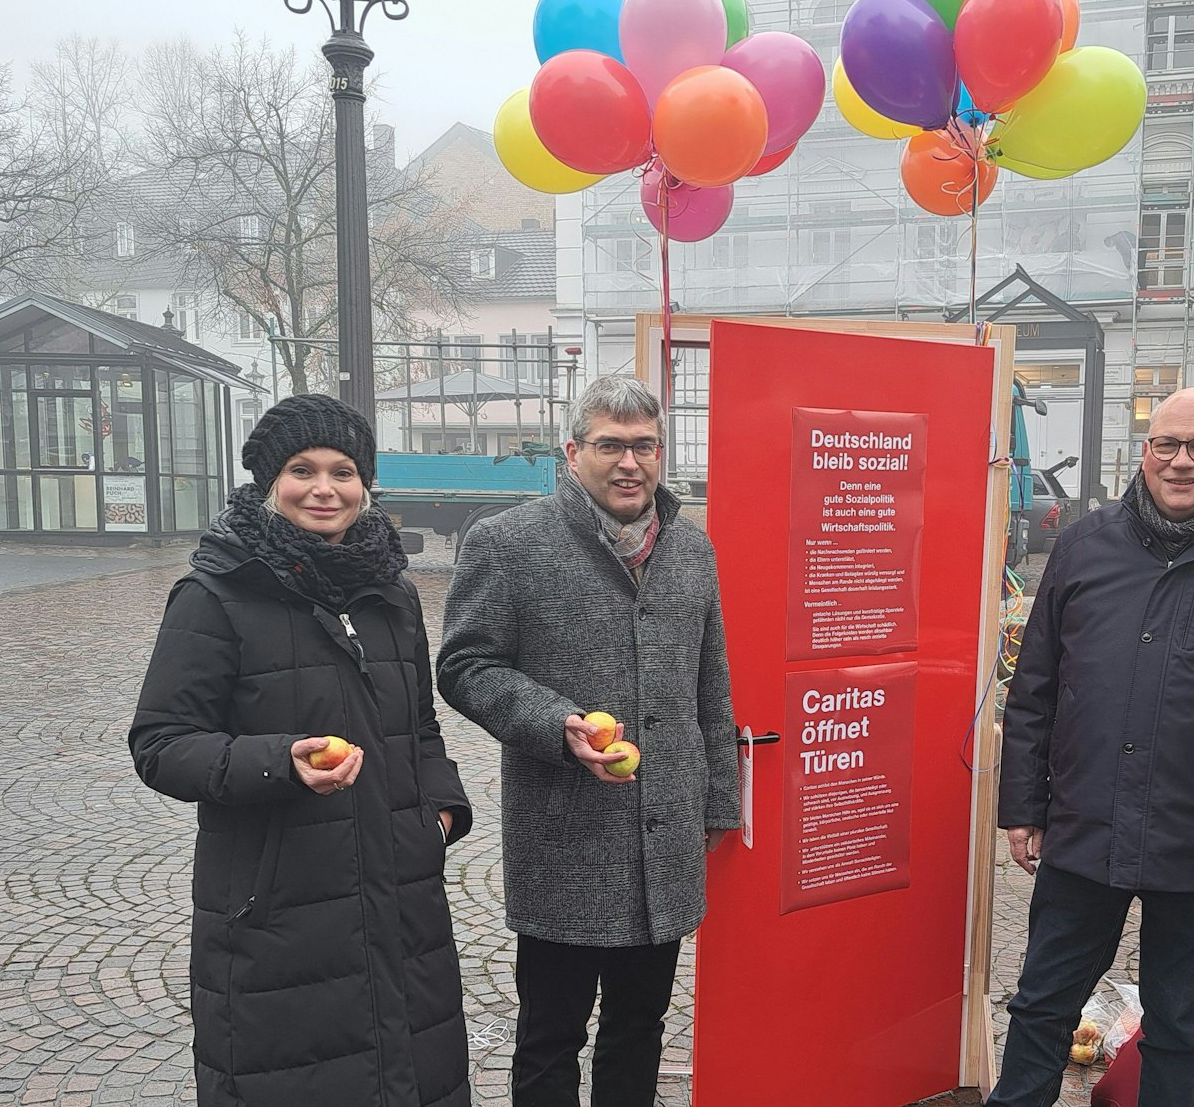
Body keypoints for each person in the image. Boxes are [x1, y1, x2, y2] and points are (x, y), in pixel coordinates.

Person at [129, 393, 474, 1107]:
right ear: (267, 481)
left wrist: (438, 815)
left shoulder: (392, 593)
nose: (325, 487)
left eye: (344, 470)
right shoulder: (214, 593)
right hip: (276, 913)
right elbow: (161, 744)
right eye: (302, 469)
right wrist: (279, 760)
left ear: (366, 483)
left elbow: (420, 724)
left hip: (401, 901)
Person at [989, 387, 1194, 1107]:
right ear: (1145, 450)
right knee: (1042, 1003)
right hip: (1085, 818)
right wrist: (1023, 804)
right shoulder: (1084, 543)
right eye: (1167, 444)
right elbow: (1036, 683)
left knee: (1181, 1019)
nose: (1181, 461)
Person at [438, 375, 738, 1107]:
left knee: (641, 1023)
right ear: (573, 452)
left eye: (643, 445)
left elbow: (712, 682)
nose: (628, 461)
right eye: (610, 444)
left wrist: (719, 800)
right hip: (563, 831)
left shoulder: (691, 549)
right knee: (551, 1032)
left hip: (665, 829)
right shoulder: (507, 543)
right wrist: (554, 721)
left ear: (661, 454)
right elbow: (465, 665)